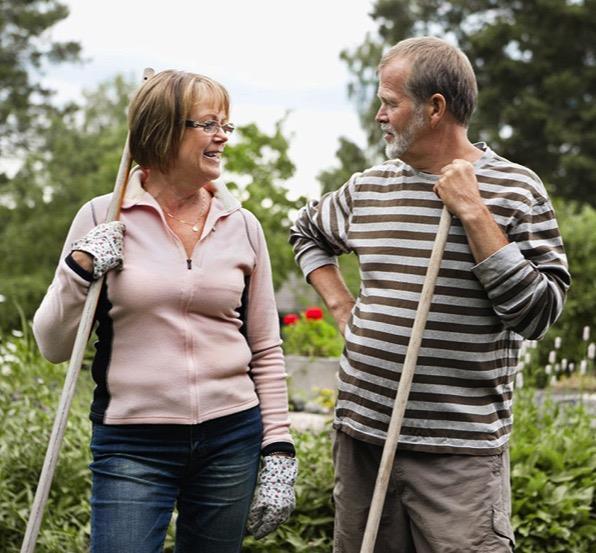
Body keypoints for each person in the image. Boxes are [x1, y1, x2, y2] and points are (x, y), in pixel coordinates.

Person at [290, 37, 570, 553]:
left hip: (458, 457)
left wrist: (474, 212)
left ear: (435, 107)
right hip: (363, 438)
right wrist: (339, 305)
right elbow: (305, 233)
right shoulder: (367, 187)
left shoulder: (515, 189)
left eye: (390, 102)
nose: (379, 115)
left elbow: (537, 313)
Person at [33, 70, 297, 553]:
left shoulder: (243, 225)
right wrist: (80, 267)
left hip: (231, 436)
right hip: (133, 443)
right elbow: (51, 345)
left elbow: (265, 346)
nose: (222, 136)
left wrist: (278, 447)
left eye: (226, 125)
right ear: (163, 131)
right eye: (209, 124)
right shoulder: (102, 217)